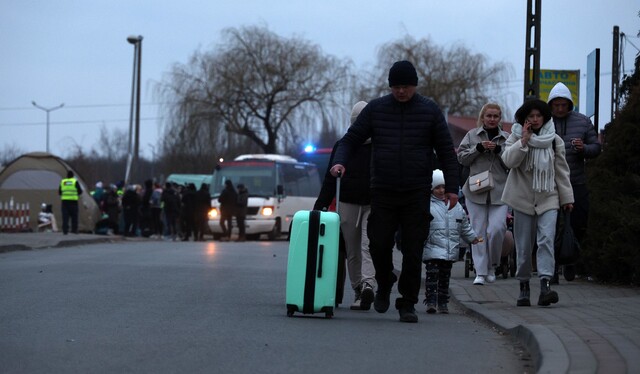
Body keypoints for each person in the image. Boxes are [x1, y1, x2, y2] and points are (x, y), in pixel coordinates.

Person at [329, 60, 460, 323]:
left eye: (406, 87)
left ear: (414, 86)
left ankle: (407, 302)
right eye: (396, 87)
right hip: (383, 189)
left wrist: (453, 188)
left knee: (413, 249)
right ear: (390, 87)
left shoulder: (429, 111)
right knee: (377, 244)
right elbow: (351, 138)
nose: (401, 92)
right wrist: (339, 161)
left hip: (415, 191)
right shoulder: (376, 109)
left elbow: (446, 150)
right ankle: (385, 279)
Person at [501, 99, 574, 307]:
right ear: (524, 119)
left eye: (538, 116)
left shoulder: (554, 140)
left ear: (544, 117)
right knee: (523, 246)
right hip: (522, 198)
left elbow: (562, 171)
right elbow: (508, 161)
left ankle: (545, 285)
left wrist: (567, 198)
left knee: (546, 240)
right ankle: (524, 286)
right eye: (530, 116)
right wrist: (523, 141)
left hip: (548, 196)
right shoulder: (515, 135)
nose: (534, 120)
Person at [314, 101, 376, 311]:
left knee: (365, 247)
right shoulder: (345, 145)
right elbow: (331, 178)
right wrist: (321, 204)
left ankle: (367, 285)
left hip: (372, 204)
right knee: (353, 250)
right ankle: (359, 288)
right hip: (348, 203)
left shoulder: (379, 145)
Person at [548, 82, 602, 282]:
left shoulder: (583, 121)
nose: (560, 109)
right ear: (551, 105)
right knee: (550, 226)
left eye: (564, 105)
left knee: (579, 223)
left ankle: (570, 259)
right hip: (551, 184)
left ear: (570, 104)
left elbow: (596, 148)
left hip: (576, 181)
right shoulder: (544, 123)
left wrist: (583, 149)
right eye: (556, 105)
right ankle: (551, 268)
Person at [457, 103, 511, 286]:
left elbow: (513, 163)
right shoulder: (472, 135)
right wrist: (478, 149)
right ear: (483, 117)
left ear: (500, 118)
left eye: (496, 116)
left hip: (500, 190)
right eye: (489, 116)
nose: (492, 119)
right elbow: (461, 158)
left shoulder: (507, 137)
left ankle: (492, 265)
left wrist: (498, 151)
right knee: (478, 231)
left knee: (496, 230)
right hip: (476, 189)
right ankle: (480, 272)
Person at [423, 169, 479, 314]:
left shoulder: (456, 206)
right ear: (431, 189)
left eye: (443, 187)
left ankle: (442, 302)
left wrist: (472, 237)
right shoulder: (427, 205)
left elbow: (464, 225)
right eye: (437, 187)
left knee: (444, 277)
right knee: (432, 275)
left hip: (449, 249)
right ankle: (431, 300)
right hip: (432, 248)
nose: (441, 190)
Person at [58, 170, 83, 235]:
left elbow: (59, 192)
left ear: (67, 175)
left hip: (64, 202)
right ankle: (74, 230)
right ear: (73, 176)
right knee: (74, 216)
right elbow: (80, 191)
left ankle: (65, 230)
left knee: (65, 217)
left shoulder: (63, 182)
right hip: (73, 201)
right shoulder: (75, 181)